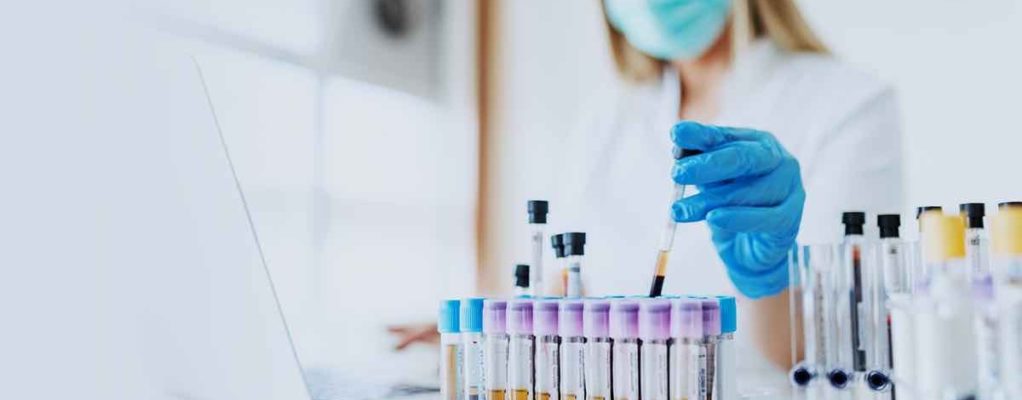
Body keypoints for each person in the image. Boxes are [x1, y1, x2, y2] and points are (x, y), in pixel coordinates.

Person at [393, 0, 902, 379]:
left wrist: (766, 281)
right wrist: (479, 334)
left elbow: (830, 351)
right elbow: (572, 286)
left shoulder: (848, 104)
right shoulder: (608, 117)